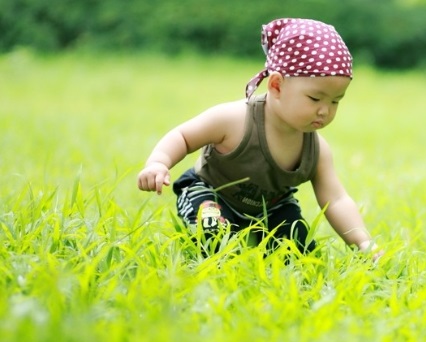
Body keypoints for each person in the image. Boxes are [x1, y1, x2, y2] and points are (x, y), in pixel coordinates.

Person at [137, 18, 376, 256]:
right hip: (211, 193)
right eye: (315, 99)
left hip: (271, 209)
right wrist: (159, 162)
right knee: (212, 229)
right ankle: (219, 249)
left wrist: (363, 242)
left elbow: (336, 199)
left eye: (336, 101)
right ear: (277, 85)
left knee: (300, 252)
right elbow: (183, 136)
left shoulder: (316, 150)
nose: (325, 110)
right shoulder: (234, 119)